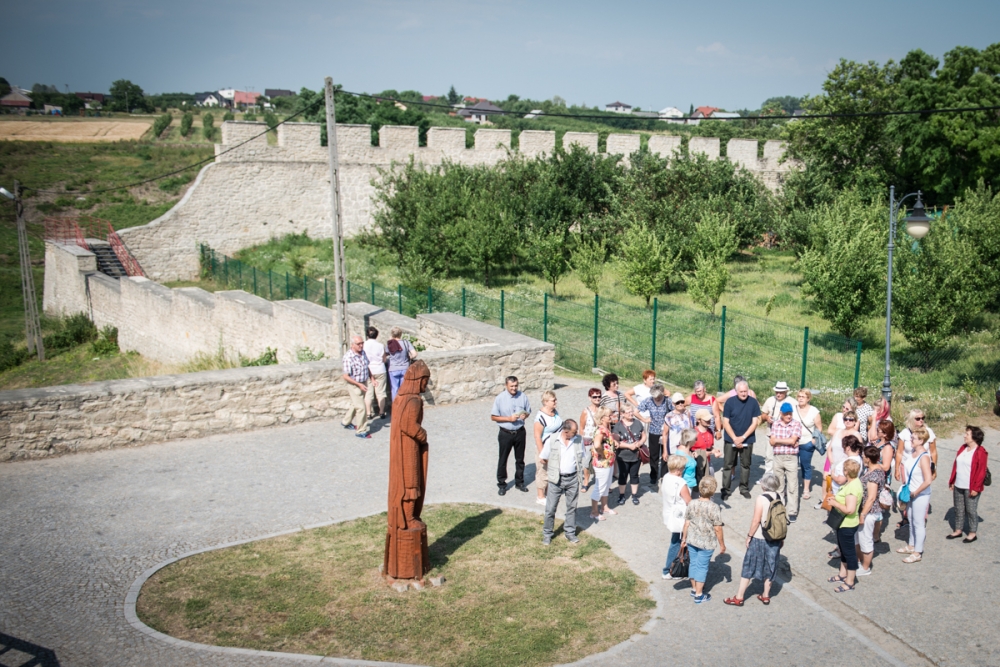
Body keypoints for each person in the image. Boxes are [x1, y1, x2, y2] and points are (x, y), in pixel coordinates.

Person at [724, 473, 784, 606]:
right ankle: (766, 595)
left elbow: (756, 520)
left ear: (764, 485)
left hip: (760, 537)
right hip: (775, 537)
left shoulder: (761, 498)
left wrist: (749, 536)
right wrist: (781, 537)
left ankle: (739, 597)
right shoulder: (780, 497)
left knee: (749, 565)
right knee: (771, 565)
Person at [540, 420, 587, 545]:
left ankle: (570, 533)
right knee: (550, 508)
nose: (576, 433)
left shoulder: (578, 440)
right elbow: (543, 457)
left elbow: (582, 457)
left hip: (573, 479)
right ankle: (547, 534)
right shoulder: (552, 440)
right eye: (574, 432)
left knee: (572, 507)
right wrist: (553, 469)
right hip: (556, 479)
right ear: (566, 431)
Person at [681, 476, 726, 603]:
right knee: (702, 567)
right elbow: (718, 528)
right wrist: (722, 544)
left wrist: (684, 539)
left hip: (692, 539)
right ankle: (699, 595)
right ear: (713, 490)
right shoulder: (714, 507)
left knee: (693, 564)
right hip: (707, 542)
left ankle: (694, 589)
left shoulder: (692, 503)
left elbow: (686, 523)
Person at [825, 459, 863, 592]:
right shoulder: (852, 482)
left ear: (846, 472)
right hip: (843, 524)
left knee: (849, 553)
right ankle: (842, 574)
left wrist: (835, 503)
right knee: (843, 549)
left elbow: (850, 509)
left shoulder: (853, 487)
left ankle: (850, 581)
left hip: (847, 524)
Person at [895, 410, 937, 529]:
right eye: (918, 418)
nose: (921, 420)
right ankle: (907, 516)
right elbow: (899, 452)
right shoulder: (904, 433)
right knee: (907, 490)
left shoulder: (928, 432)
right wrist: (897, 468)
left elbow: (933, 452)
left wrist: (934, 468)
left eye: (923, 418)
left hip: (922, 466)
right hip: (907, 466)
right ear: (911, 420)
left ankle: (922, 517)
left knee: (922, 489)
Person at [721, 380, 761, 500]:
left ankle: (744, 488)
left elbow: (755, 422)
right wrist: (735, 438)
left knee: (746, 465)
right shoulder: (729, 402)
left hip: (747, 438)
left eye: (745, 391)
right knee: (728, 465)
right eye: (741, 391)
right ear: (736, 391)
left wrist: (743, 437)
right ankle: (725, 489)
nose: (743, 393)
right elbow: (726, 422)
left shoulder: (753, 402)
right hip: (730, 438)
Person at [491, 376, 531, 496]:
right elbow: (493, 417)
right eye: (511, 386)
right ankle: (502, 484)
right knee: (503, 459)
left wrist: (525, 415)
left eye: (516, 386)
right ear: (506, 385)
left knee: (520, 459)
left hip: (520, 432)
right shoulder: (500, 398)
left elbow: (528, 411)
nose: (514, 388)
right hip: (505, 433)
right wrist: (508, 419)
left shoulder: (522, 396)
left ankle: (519, 482)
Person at [948, 425, 989, 543]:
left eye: (967, 434)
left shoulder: (981, 452)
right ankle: (958, 530)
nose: (964, 436)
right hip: (958, 484)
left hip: (971, 486)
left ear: (974, 437)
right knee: (958, 508)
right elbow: (956, 465)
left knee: (971, 510)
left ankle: (972, 533)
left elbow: (981, 472)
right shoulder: (963, 448)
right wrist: (952, 480)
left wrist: (976, 488)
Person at [897, 428, 933, 563]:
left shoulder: (924, 457)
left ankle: (918, 552)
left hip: (920, 494)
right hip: (911, 493)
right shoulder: (913, 453)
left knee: (918, 523)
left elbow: (928, 480)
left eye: (913, 438)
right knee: (911, 519)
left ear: (921, 440)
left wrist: (916, 492)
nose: (910, 440)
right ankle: (912, 545)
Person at [816, 409, 860, 510]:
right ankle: (827, 504)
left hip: (846, 466)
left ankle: (841, 510)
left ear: (855, 421)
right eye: (845, 419)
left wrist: (843, 466)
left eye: (851, 419)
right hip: (833, 462)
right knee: (828, 484)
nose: (848, 421)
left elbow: (856, 454)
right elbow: (829, 448)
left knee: (841, 488)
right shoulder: (838, 432)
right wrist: (832, 463)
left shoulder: (856, 435)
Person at [769, 402, 802, 522]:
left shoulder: (796, 424)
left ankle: (792, 511)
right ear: (781, 414)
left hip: (790, 458)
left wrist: (778, 441)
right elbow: (772, 442)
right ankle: (780, 508)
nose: (789, 416)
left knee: (792, 485)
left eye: (790, 413)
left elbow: (792, 440)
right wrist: (787, 441)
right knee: (779, 485)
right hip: (778, 457)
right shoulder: (775, 424)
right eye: (786, 414)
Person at [857, 446, 887, 576]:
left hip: (869, 512)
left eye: (864, 456)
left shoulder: (874, 475)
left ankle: (865, 568)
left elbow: (871, 498)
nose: (862, 458)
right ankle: (862, 562)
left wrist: (863, 514)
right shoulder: (875, 469)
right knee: (861, 538)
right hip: (868, 510)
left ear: (868, 459)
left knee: (866, 540)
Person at [661, 455, 692, 580]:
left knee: (676, 541)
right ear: (678, 469)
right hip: (680, 517)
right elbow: (689, 501)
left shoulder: (666, 477)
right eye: (683, 468)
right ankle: (669, 570)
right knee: (677, 543)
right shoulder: (681, 483)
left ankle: (675, 568)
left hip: (670, 513)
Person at [638, 384, 672, 490]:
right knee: (653, 456)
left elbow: (674, 412)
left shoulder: (668, 401)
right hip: (653, 431)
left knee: (666, 455)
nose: (656, 398)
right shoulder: (648, 400)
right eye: (654, 396)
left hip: (666, 432)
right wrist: (644, 420)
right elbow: (636, 411)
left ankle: (664, 476)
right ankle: (653, 476)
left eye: (658, 396)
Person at [533, 390, 564, 506]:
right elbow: (537, 437)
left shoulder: (555, 412)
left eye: (555, 399)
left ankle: (548, 493)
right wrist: (542, 454)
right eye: (553, 400)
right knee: (543, 472)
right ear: (546, 402)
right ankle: (540, 496)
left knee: (552, 470)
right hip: (545, 448)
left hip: (555, 447)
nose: (556, 402)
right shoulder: (540, 417)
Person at [791, 389, 822, 500]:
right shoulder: (793, 409)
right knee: (791, 466)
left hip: (807, 443)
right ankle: (792, 488)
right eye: (799, 396)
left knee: (805, 466)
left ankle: (806, 489)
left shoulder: (814, 411)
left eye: (803, 397)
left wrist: (813, 440)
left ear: (808, 398)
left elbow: (819, 428)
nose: (800, 399)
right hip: (793, 442)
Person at [869, 420, 896, 543]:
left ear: (885, 433)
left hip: (881, 479)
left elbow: (886, 466)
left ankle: (876, 535)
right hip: (873, 476)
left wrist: (872, 465)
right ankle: (870, 531)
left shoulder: (888, 447)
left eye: (879, 430)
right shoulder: (879, 442)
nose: (877, 432)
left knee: (877, 506)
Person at [613, 405, 646, 506]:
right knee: (623, 475)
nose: (631, 414)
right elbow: (616, 442)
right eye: (628, 412)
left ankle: (634, 495)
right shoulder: (618, 426)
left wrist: (640, 443)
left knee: (634, 475)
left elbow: (644, 435)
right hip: (623, 456)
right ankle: (622, 495)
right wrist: (629, 446)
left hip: (636, 455)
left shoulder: (638, 423)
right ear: (622, 414)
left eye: (632, 411)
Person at [589, 407, 618, 520]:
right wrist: (602, 453)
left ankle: (604, 507)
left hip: (608, 462)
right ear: (602, 418)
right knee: (600, 487)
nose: (611, 417)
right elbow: (597, 445)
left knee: (606, 485)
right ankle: (594, 511)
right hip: (602, 463)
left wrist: (613, 442)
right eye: (609, 416)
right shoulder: (601, 430)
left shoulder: (606, 428)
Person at [341, 335, 372, 439]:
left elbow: (367, 367)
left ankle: (346, 421)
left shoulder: (363, 353)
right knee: (361, 408)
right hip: (355, 384)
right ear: (352, 345)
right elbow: (345, 376)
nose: (361, 345)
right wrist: (359, 384)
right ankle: (361, 431)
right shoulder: (348, 357)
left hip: (363, 382)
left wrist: (372, 378)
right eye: (358, 344)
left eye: (362, 343)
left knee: (356, 404)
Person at [760, 381, 792, 478]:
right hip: (770, 433)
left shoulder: (792, 402)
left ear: (786, 392)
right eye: (777, 392)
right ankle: (767, 477)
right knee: (769, 456)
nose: (778, 394)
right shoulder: (770, 400)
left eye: (781, 392)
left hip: (785, 436)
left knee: (783, 458)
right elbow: (763, 414)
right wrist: (767, 418)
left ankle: (780, 478)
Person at [713, 375, 757, 441]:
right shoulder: (732, 393)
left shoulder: (751, 393)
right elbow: (717, 401)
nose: (743, 393)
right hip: (734, 423)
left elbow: (755, 407)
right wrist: (725, 411)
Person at [363, 326, 389, 420]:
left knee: (368, 393)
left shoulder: (364, 345)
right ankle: (381, 412)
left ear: (367, 335)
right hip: (380, 369)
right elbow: (384, 359)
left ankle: (368, 413)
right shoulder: (380, 345)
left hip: (368, 369)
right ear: (377, 335)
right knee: (381, 392)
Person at [580, 387, 603, 490]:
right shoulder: (586, 411)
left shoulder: (603, 410)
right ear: (590, 398)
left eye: (599, 396)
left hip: (600, 439)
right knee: (587, 461)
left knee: (601, 461)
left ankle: (601, 482)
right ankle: (586, 480)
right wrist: (581, 441)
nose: (597, 399)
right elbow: (581, 427)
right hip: (588, 439)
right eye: (594, 397)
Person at [387, 327, 417, 400]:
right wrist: (409, 357)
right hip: (404, 368)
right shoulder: (406, 342)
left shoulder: (390, 344)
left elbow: (385, 355)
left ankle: (395, 405)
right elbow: (414, 354)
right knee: (403, 389)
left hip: (393, 368)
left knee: (394, 389)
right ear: (401, 334)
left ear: (392, 334)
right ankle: (403, 404)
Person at [692, 409, 717, 483]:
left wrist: (714, 450)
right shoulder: (693, 432)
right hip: (696, 464)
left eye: (709, 418)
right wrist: (702, 453)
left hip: (708, 462)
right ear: (698, 420)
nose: (709, 420)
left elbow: (709, 447)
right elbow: (689, 449)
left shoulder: (710, 431)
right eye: (706, 419)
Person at [666, 392, 694, 458]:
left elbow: (692, 429)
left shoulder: (689, 413)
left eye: (682, 402)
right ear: (673, 404)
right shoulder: (669, 416)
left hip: (686, 447)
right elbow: (665, 434)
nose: (680, 404)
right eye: (678, 402)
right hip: (673, 448)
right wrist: (665, 450)